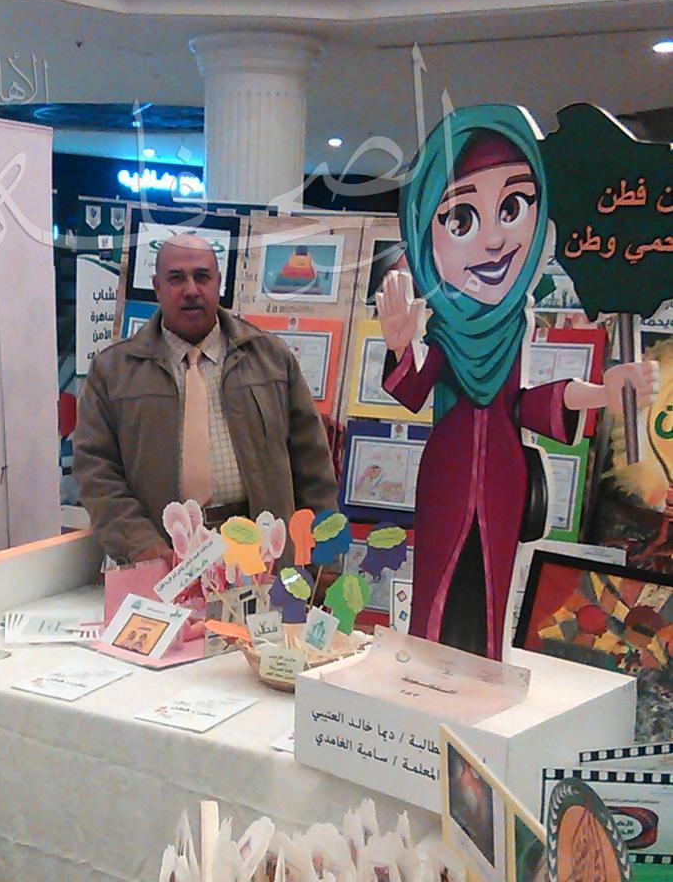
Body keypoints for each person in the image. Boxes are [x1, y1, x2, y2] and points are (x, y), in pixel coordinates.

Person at [379, 104, 658, 659]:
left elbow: (526, 405)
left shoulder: (511, 328)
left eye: (512, 208)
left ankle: (482, 677)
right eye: (461, 219)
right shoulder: (444, 329)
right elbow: (412, 392)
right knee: (436, 584)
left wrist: (605, 391)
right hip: (446, 476)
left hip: (505, 479)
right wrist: (398, 345)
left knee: (492, 591)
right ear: (424, 227)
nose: (492, 241)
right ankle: (428, 677)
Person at [75, 233, 338, 565]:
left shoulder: (270, 358)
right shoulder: (114, 372)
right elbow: (96, 473)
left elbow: (312, 468)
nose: (191, 290)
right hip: (167, 562)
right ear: (157, 286)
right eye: (176, 278)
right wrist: (141, 546)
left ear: (219, 283)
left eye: (202, 277)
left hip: (263, 558)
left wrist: (321, 560)